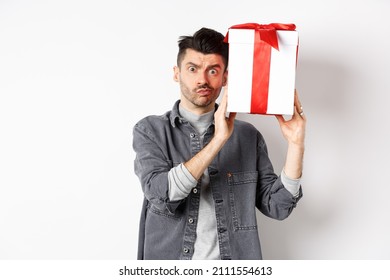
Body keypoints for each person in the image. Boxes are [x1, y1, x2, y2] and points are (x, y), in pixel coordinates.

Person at [133, 27, 306, 260]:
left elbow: (277, 206)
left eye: (213, 70)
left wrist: (296, 145)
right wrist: (218, 140)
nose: (202, 80)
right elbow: (162, 196)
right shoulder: (151, 130)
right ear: (177, 73)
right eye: (192, 69)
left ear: (225, 77)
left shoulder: (248, 136)